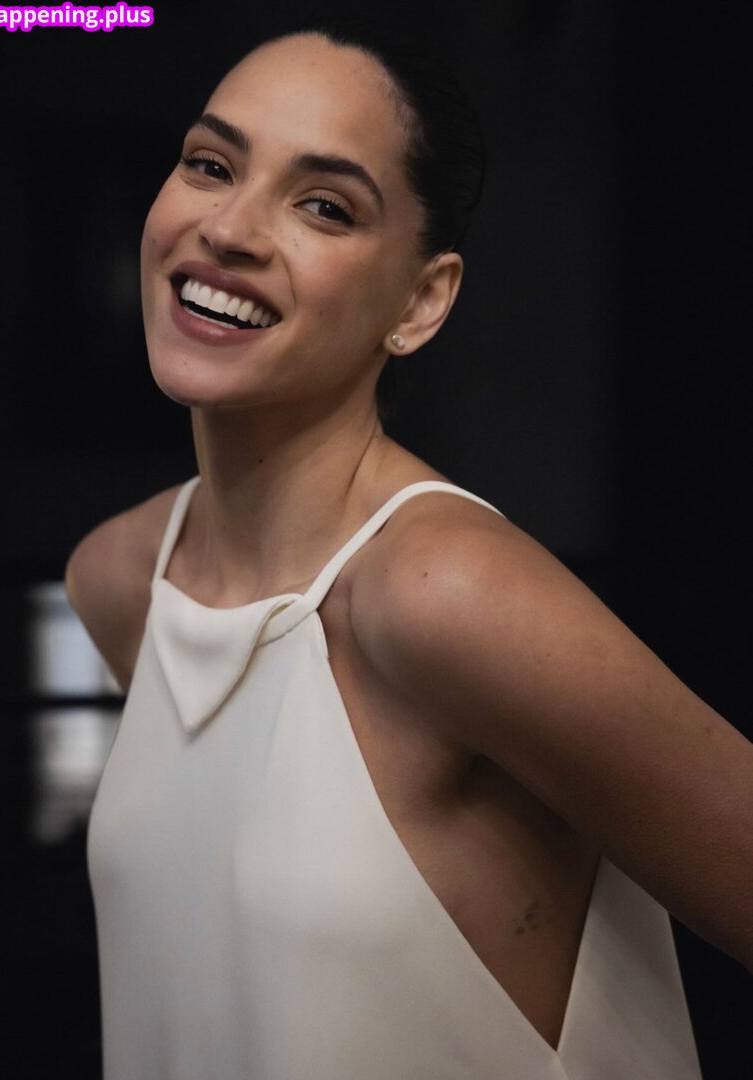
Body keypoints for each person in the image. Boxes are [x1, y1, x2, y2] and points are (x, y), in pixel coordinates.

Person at [65, 20, 752, 1080]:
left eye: (324, 206)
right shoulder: (120, 579)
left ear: (421, 301)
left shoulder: (447, 595)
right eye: (211, 164)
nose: (230, 228)